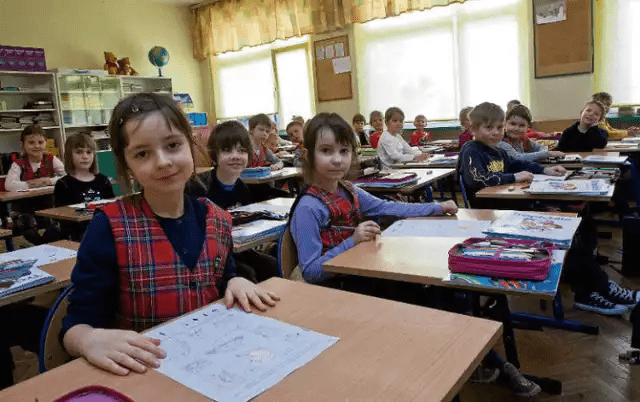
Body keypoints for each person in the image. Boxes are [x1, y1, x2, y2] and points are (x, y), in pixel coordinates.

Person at [61, 93, 279, 376]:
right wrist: (87, 339)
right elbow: (75, 325)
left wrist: (235, 280)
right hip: (146, 374)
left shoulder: (217, 218)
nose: (163, 162)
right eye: (142, 153)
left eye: (173, 145)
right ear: (126, 166)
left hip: (216, 365)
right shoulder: (108, 228)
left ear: (191, 145)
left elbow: (222, 277)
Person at [459, 102, 639, 315]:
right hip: (492, 219)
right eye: (489, 128)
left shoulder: (497, 150)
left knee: (577, 224)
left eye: (499, 127)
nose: (496, 133)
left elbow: (520, 164)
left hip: (513, 211)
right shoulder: (471, 150)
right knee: (565, 232)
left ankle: (594, 288)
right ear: (473, 128)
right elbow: (477, 179)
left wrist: (545, 170)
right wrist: (513, 177)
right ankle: (595, 289)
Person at [289, 112, 457, 284]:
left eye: (344, 151)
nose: (337, 160)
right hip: (336, 287)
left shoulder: (347, 189)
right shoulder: (308, 207)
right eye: (326, 151)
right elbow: (311, 272)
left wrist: (437, 207)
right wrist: (353, 241)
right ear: (307, 156)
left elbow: (387, 207)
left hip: (359, 270)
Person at [187, 121, 280, 283]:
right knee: (248, 275)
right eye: (227, 150)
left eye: (241, 151)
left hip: (237, 249)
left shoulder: (242, 187)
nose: (235, 156)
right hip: (209, 256)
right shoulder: (199, 188)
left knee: (273, 266)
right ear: (214, 155)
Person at [5, 124, 65, 244]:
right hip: (24, 209)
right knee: (28, 229)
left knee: (55, 228)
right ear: (23, 145)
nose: (36, 146)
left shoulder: (51, 159)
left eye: (40, 142)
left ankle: (48, 244)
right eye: (31, 143)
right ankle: (39, 244)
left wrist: (48, 181)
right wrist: (29, 184)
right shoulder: (18, 164)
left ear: (46, 143)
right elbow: (9, 185)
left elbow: (66, 177)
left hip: (48, 206)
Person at [54, 133, 115, 240]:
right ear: (69, 155)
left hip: (104, 230)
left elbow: (112, 207)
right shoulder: (63, 184)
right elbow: (64, 217)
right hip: (79, 235)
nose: (85, 156)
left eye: (89, 152)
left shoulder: (103, 180)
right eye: (79, 152)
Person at [496, 104, 564, 162]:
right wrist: (547, 154)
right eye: (513, 124)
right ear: (504, 124)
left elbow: (542, 147)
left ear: (527, 128)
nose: (516, 129)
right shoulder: (500, 142)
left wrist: (543, 153)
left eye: (522, 125)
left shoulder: (523, 140)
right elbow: (517, 158)